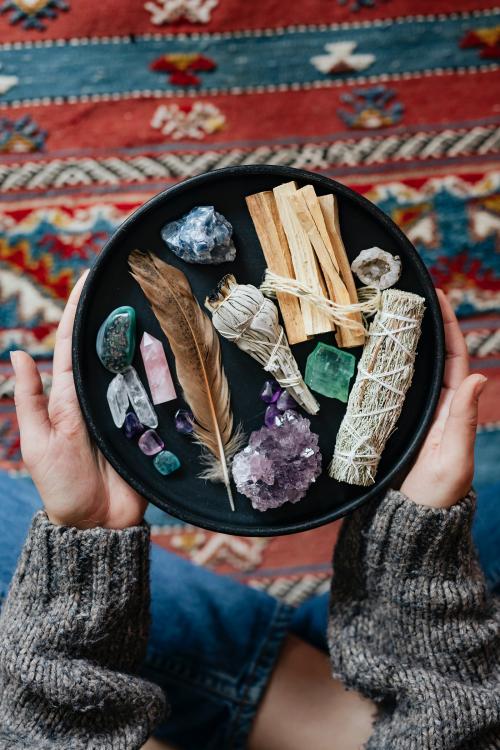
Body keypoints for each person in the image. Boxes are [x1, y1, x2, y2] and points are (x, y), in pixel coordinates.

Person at [0, 272, 499, 750]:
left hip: (310, 703)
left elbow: (40, 731)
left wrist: (86, 538)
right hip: (381, 711)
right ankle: (311, 671)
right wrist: (419, 552)